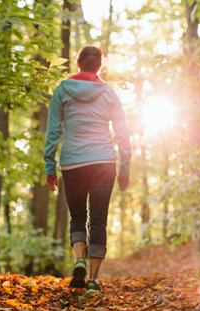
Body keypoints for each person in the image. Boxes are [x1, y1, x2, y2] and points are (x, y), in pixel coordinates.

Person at [44, 46, 131, 293]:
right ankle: (93, 281)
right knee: (99, 220)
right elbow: (123, 133)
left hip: (73, 163)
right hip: (104, 161)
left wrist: (50, 166)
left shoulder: (62, 90)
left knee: (78, 217)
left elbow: (53, 132)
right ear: (100, 66)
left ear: (77, 63)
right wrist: (124, 168)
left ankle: (79, 260)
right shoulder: (109, 93)